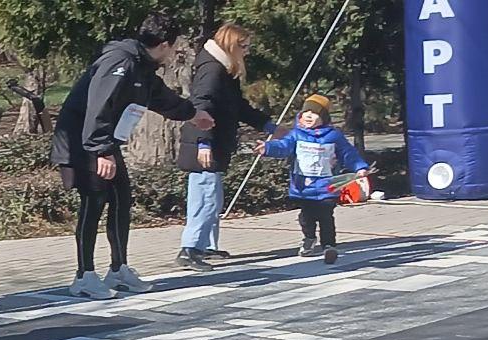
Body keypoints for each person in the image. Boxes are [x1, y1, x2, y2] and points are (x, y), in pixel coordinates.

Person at [52, 12, 215, 300]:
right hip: (84, 140)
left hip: (104, 141)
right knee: (95, 201)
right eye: (175, 47)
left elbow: (160, 97)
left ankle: (118, 269)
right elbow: (98, 105)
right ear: (164, 44)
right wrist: (101, 150)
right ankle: (84, 276)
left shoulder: (142, 67)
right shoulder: (120, 61)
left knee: (121, 199)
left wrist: (192, 115)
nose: (175, 53)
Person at [175, 22, 277, 272]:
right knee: (205, 196)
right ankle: (190, 249)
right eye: (244, 46)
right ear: (232, 44)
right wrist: (204, 141)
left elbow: (237, 106)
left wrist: (268, 125)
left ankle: (207, 245)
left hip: (215, 142)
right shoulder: (212, 69)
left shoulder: (224, 69)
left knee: (213, 196)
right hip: (204, 143)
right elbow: (202, 105)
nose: (247, 51)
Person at [255, 94, 369, 264]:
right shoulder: (296, 135)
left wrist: (360, 167)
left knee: (326, 216)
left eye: (314, 113)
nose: (308, 116)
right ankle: (309, 238)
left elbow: (348, 153)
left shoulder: (333, 136)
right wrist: (268, 148)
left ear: (323, 118)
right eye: (305, 112)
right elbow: (283, 147)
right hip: (303, 187)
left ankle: (329, 246)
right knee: (306, 217)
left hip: (327, 186)